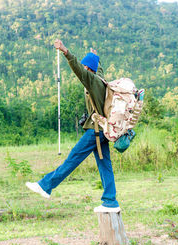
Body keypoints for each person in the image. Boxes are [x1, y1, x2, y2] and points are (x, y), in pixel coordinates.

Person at [26, 39, 120, 213]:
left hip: (96, 130)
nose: (83, 69)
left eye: (85, 66)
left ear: (88, 69)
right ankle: (110, 201)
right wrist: (96, 57)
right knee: (104, 164)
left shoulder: (91, 80)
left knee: (72, 158)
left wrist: (65, 52)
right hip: (103, 129)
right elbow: (97, 68)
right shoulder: (100, 78)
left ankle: (46, 185)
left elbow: (78, 68)